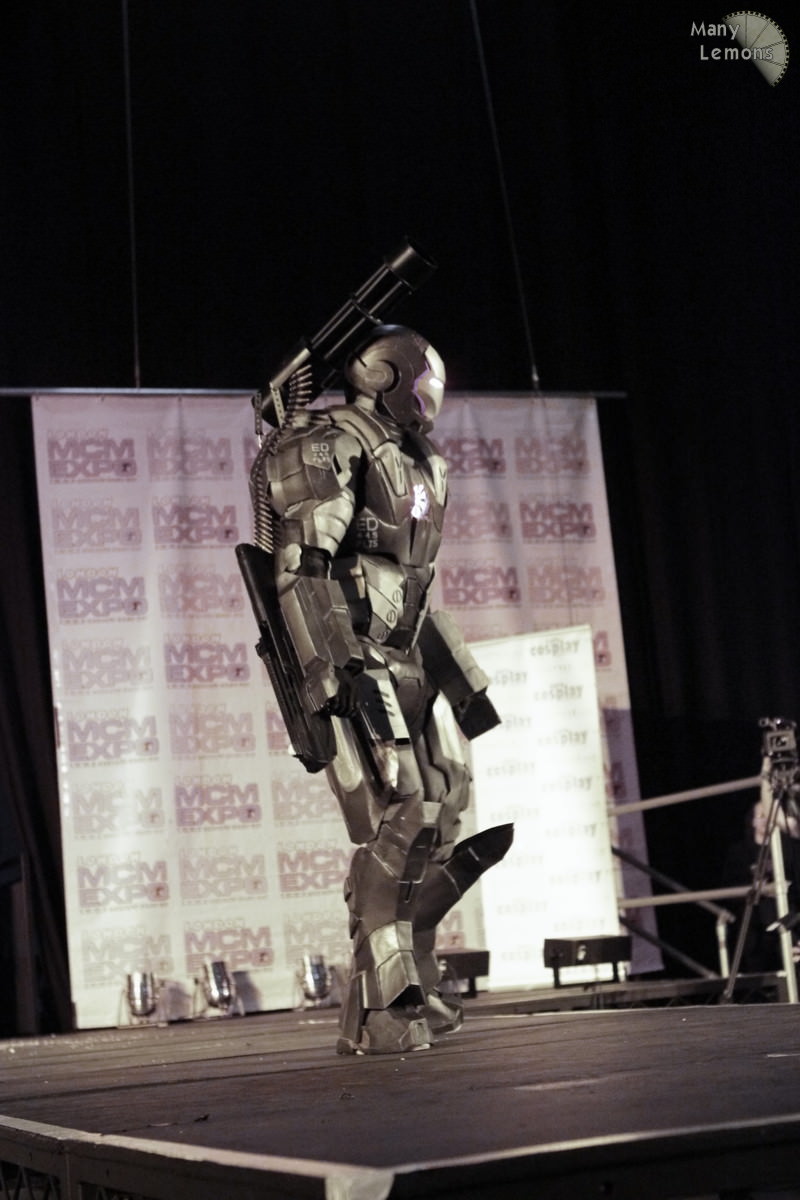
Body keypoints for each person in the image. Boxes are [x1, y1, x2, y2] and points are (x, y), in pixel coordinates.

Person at [244, 324, 513, 1054]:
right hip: (356, 660)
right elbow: (301, 568)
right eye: (421, 378)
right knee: (400, 815)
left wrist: (461, 679)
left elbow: (416, 583)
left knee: (445, 803)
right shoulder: (333, 442)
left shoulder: (423, 462)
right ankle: (380, 1005)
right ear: (386, 374)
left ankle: (416, 976)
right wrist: (334, 666)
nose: (431, 394)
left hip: (410, 651)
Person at [721, 792, 800, 974]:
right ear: (752, 821)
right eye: (761, 816)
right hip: (753, 916)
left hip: (784, 911)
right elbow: (730, 886)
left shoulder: (788, 848)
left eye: (769, 816)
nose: (765, 820)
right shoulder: (739, 852)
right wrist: (760, 888)